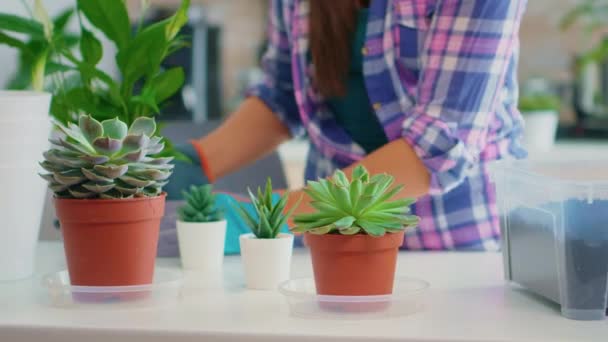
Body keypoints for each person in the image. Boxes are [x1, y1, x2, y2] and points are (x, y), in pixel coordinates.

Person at [164, 0, 528, 254]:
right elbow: (284, 94)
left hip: (453, 249)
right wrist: (196, 162)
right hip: (329, 246)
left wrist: (272, 215)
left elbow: (438, 146)